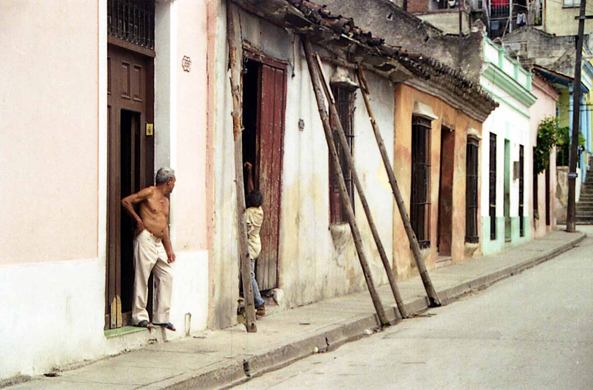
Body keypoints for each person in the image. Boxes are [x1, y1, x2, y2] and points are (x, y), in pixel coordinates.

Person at [121, 167, 177, 331]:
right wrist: (138, 221)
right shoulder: (149, 192)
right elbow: (126, 201)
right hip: (146, 238)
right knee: (142, 275)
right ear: (168, 181)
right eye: (173, 182)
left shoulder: (166, 201)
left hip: (158, 241)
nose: (174, 186)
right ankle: (140, 316)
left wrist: (169, 249)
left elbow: (164, 225)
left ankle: (162, 317)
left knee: (167, 275)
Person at [244, 162, 266, 317]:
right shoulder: (259, 210)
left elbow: (244, 231)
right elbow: (251, 190)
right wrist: (249, 172)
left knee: (249, 274)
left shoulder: (249, 214)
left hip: (250, 247)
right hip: (256, 243)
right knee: (250, 273)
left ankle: (259, 303)